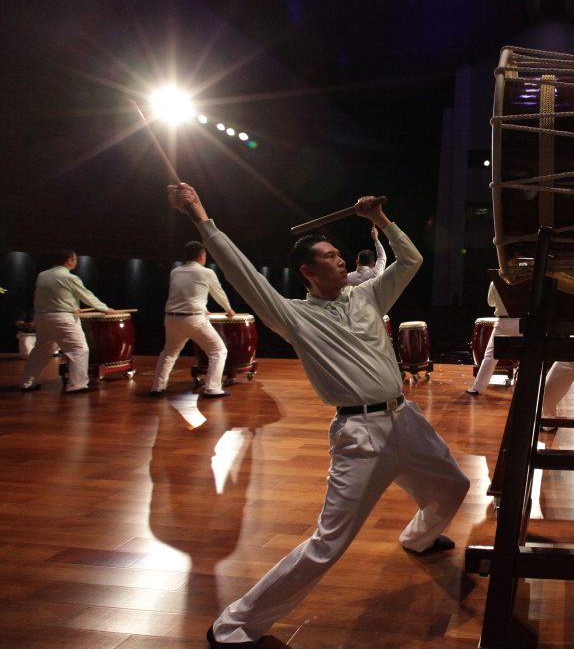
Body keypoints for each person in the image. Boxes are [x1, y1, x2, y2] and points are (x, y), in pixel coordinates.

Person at [166, 183, 470, 648]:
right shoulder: (291, 316)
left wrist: (380, 222)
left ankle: (419, 538)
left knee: (454, 486)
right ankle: (234, 628)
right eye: (329, 256)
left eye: (339, 253)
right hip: (359, 433)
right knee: (329, 544)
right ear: (307, 271)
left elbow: (411, 261)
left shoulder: (368, 297)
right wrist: (200, 216)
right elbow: (244, 275)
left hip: (405, 419)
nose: (341, 259)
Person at [148, 241, 236, 398]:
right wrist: (228, 309)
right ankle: (213, 388)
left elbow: (183, 294)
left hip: (171, 318)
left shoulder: (175, 272)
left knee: (169, 353)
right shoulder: (206, 272)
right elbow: (219, 293)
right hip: (193, 320)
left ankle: (157, 387)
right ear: (201, 256)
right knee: (218, 350)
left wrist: (203, 308)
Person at [19, 249, 114, 393]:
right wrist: (104, 308)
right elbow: (86, 295)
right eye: (75, 259)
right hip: (62, 318)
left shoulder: (42, 275)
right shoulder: (70, 278)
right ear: (69, 260)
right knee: (78, 350)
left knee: (41, 351)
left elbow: (52, 297)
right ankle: (77, 385)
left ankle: (27, 383)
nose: (76, 261)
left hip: (42, 317)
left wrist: (72, 307)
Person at [466, 281, 520, 395]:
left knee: (490, 356)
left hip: (503, 322)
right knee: (527, 355)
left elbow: (491, 303)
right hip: (521, 322)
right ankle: (531, 390)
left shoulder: (495, 282)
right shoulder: (525, 280)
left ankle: (477, 388)